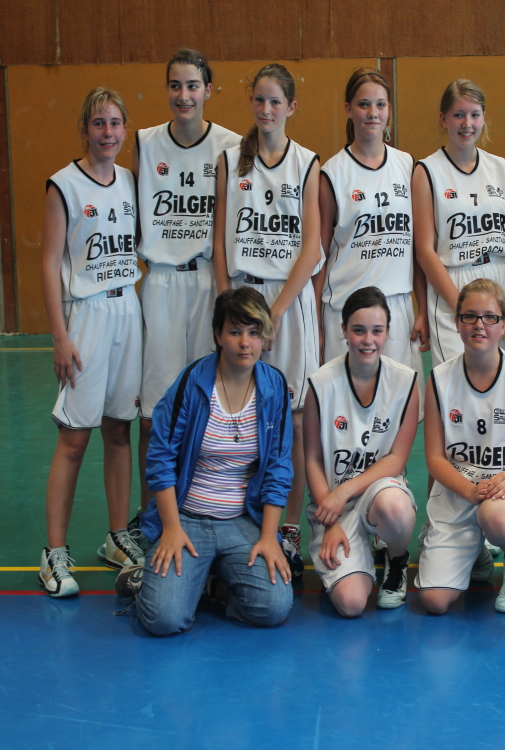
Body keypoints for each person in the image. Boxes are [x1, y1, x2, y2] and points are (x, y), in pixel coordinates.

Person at [116, 287, 294, 634]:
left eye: (254, 332)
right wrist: (171, 528)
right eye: (235, 332)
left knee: (274, 607)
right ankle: (151, 581)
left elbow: (278, 468)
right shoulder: (191, 384)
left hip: (241, 520)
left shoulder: (274, 388)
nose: (245, 343)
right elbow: (160, 459)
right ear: (218, 335)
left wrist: (268, 536)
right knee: (163, 619)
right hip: (186, 518)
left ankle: (209, 585)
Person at [213, 63, 321, 579]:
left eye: (276, 101)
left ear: (291, 107)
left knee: (295, 420)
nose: (266, 109)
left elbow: (312, 246)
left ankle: (291, 528)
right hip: (242, 294)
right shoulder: (229, 160)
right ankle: (238, 520)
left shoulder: (307, 163)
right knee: (238, 413)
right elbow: (219, 242)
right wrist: (228, 306)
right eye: (259, 99)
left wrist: (273, 314)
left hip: (288, 302)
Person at [38, 87, 143, 597]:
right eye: (98, 123)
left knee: (119, 429)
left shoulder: (130, 181)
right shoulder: (63, 185)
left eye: (115, 123)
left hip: (128, 310)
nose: (108, 132)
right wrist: (59, 336)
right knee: (75, 438)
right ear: (84, 129)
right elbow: (48, 262)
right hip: (86, 315)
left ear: (125, 129)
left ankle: (117, 535)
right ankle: (54, 552)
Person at [133, 49, 242, 520]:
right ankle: (149, 515)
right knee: (153, 412)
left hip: (209, 282)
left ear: (208, 90)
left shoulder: (231, 145)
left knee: (207, 405)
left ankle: (201, 508)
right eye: (175, 85)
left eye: (193, 86)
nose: (184, 95)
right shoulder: (144, 143)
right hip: (160, 283)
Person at [416, 279, 505, 615]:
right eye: (470, 316)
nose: (479, 324)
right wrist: (468, 490)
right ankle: (474, 551)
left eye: (490, 317)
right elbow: (434, 458)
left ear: (504, 325)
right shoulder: (439, 379)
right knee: (434, 601)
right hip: (460, 488)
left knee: (496, 517)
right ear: (457, 323)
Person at [304, 287, 420, 615]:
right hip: (332, 508)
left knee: (395, 506)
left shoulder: (406, 382)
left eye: (377, 330)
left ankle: (396, 559)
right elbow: (312, 459)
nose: (368, 340)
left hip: (377, 495)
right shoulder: (320, 384)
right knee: (352, 604)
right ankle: (358, 555)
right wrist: (331, 522)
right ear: (343, 330)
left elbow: (396, 458)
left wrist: (344, 491)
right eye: (358, 330)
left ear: (388, 332)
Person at [317, 67, 429, 374]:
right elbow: (319, 256)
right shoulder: (332, 173)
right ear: (348, 109)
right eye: (363, 104)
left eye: (380, 104)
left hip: (396, 305)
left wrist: (422, 308)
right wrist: (316, 323)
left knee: (399, 398)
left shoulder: (407, 165)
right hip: (346, 308)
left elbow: (417, 249)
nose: (372, 113)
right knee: (345, 399)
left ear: (389, 109)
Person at [413, 80, 505, 368]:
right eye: (458, 115)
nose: (467, 123)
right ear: (443, 119)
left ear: (484, 117)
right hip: (453, 284)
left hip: (500, 284)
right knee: (458, 383)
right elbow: (424, 251)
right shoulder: (427, 171)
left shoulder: (501, 168)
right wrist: (462, 306)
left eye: (475, 114)